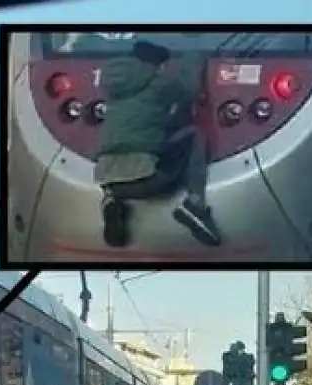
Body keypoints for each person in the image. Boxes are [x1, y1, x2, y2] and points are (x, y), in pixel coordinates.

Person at [94, 39, 221, 249]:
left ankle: (111, 202)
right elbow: (188, 88)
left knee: (120, 141)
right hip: (146, 177)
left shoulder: (111, 85)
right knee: (195, 135)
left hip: (108, 180)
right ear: (156, 64)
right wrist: (195, 52)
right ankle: (195, 205)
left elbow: (144, 119)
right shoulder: (156, 80)